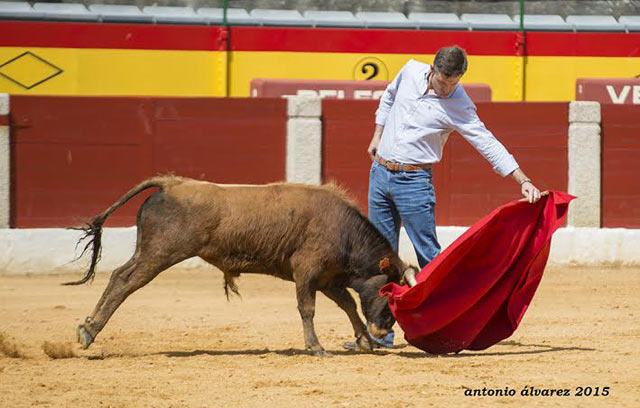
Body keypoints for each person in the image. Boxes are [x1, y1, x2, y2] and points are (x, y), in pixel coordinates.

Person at [344, 45, 541, 351]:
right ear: (432, 69)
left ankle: (447, 327)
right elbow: (389, 96)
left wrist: (522, 179)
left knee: (430, 257)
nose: (448, 88)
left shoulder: (459, 104)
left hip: (414, 181)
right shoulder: (410, 70)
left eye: (454, 82)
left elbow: (486, 142)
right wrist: (377, 134)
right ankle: (380, 333)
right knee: (380, 258)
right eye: (443, 81)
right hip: (380, 174)